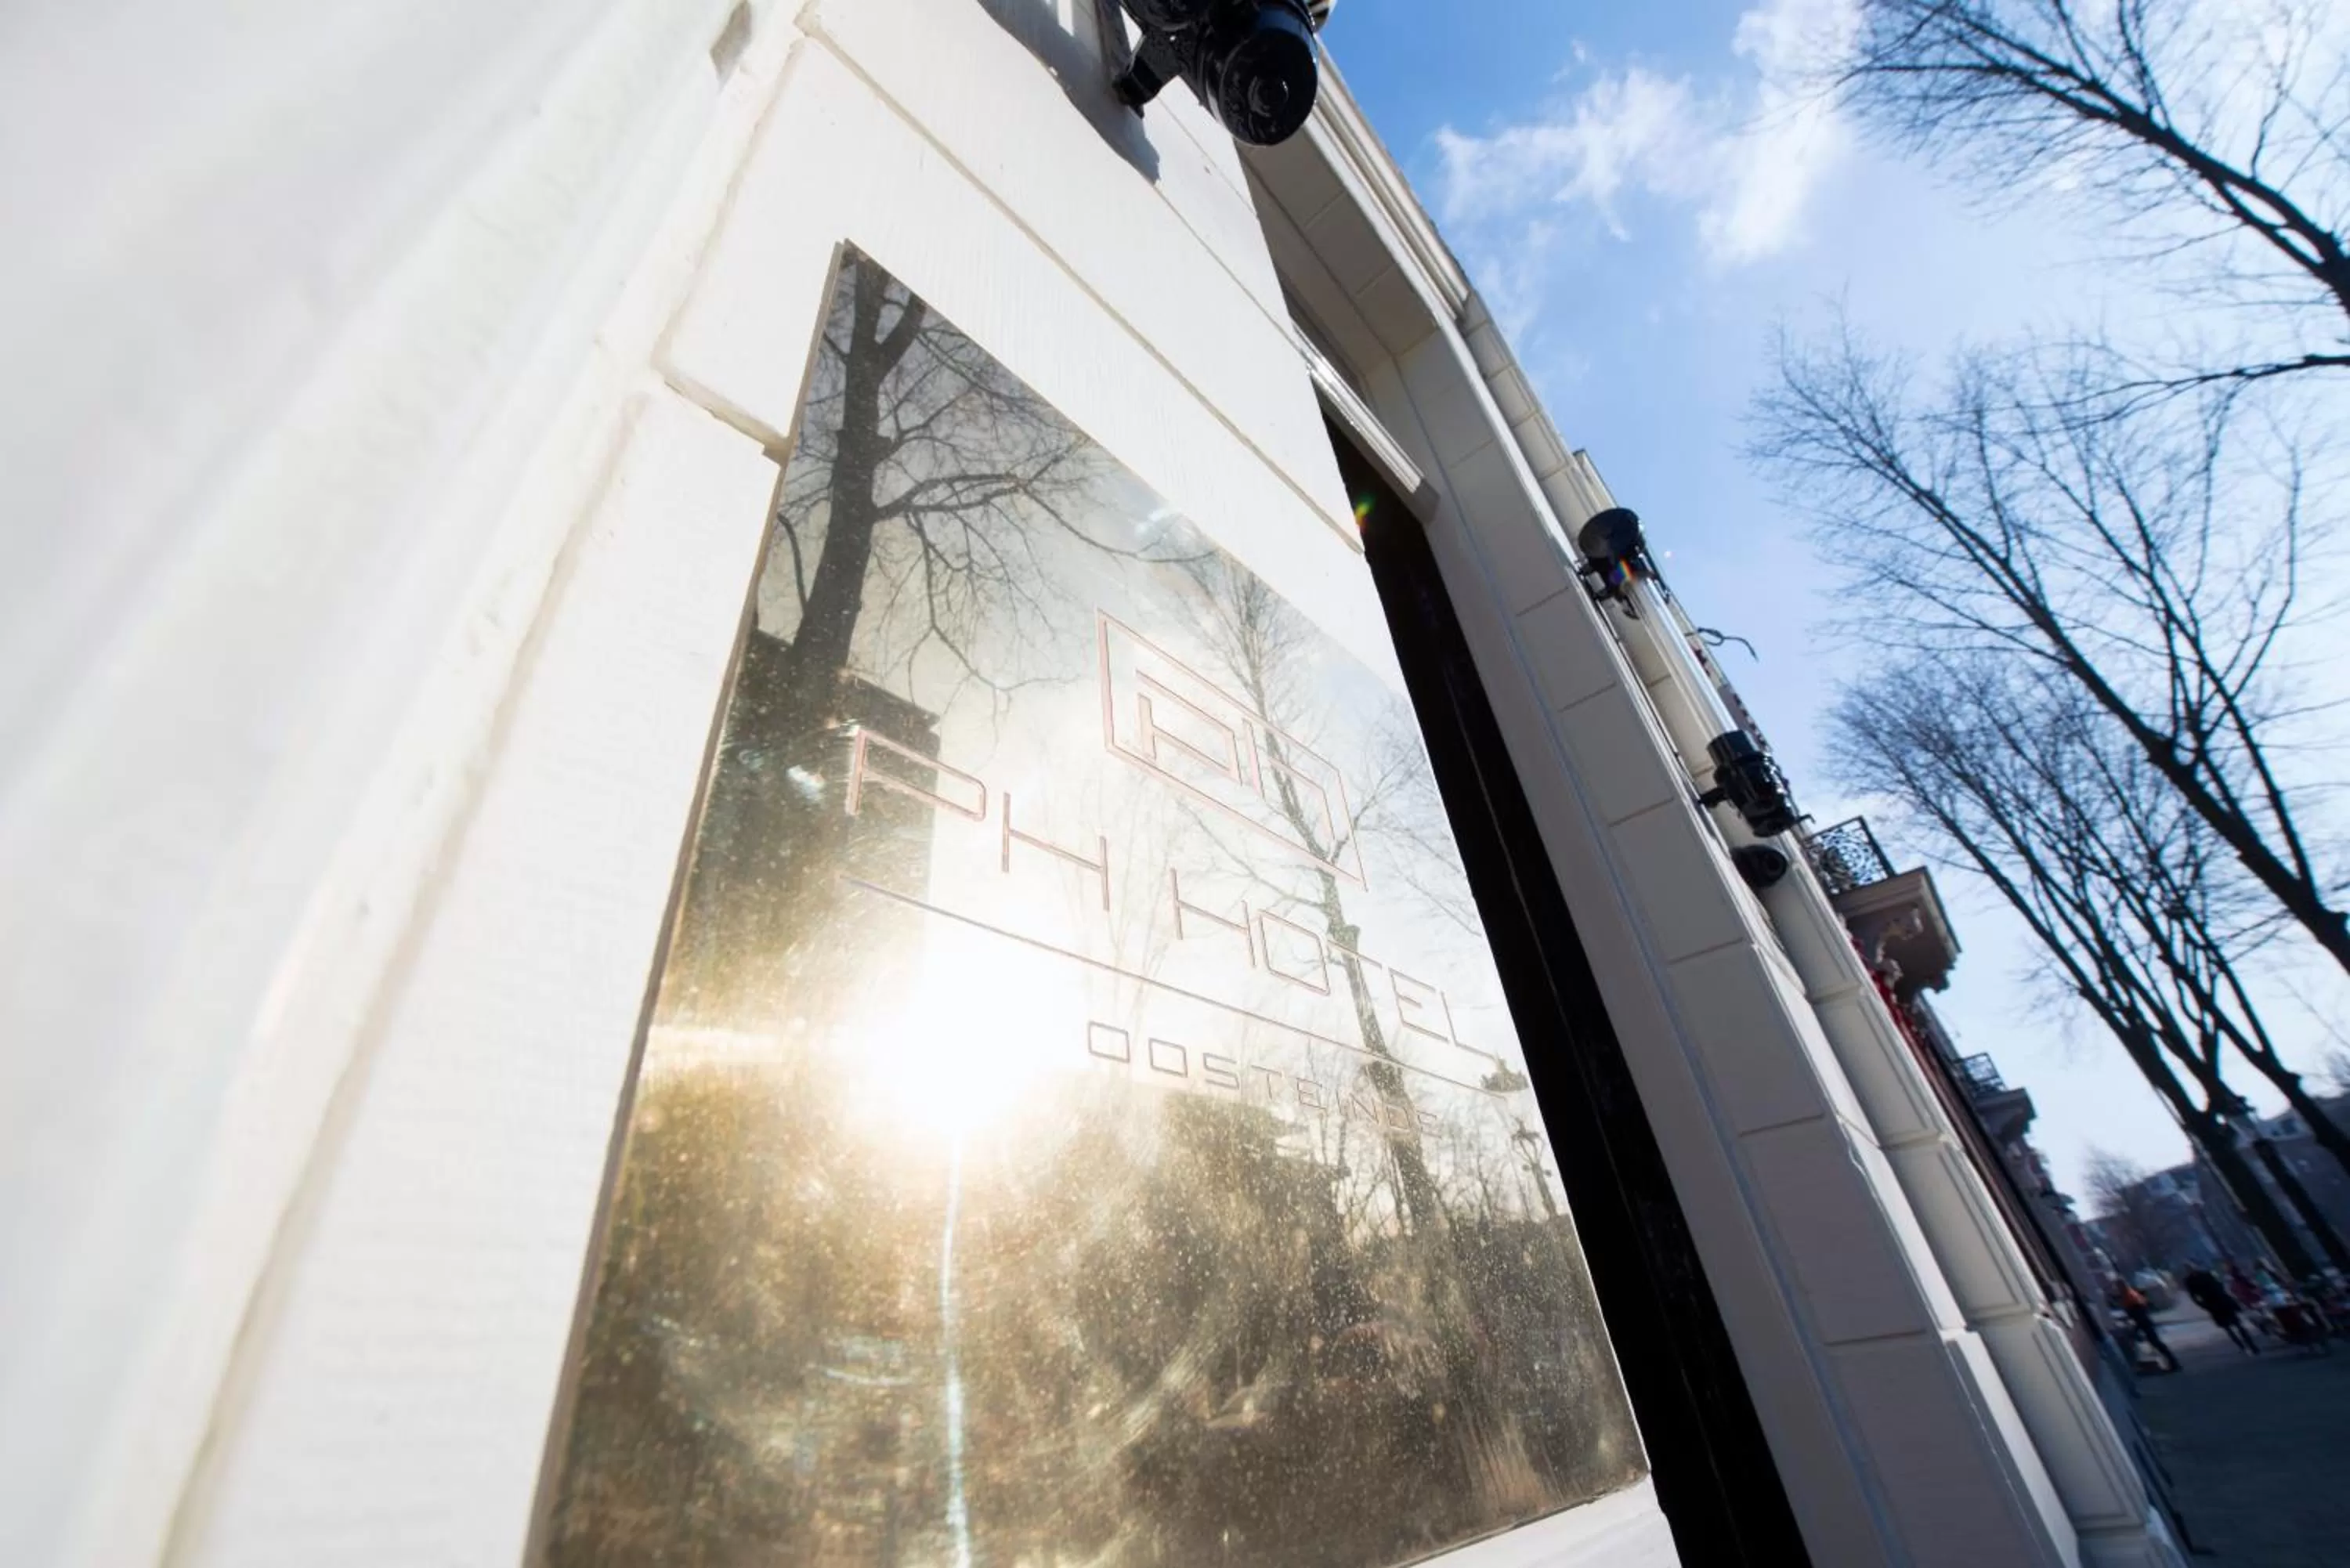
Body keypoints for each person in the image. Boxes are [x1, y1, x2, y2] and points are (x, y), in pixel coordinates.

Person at [2183, 1265, 2260, 1354]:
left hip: (2222, 1301)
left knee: (2237, 1325)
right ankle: (2243, 1346)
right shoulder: (2190, 1281)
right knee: (2228, 1328)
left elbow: (2219, 1285)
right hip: (2213, 1304)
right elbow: (2194, 1296)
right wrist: (2204, 1305)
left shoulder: (2206, 1274)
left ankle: (2251, 1345)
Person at [2118, 1282, 2181, 1372]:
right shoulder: (2130, 1295)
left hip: (2145, 1323)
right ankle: (2172, 1363)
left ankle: (2174, 1363)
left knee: (2157, 1343)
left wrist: (2136, 1328)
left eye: (2118, 1286)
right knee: (2156, 1343)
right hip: (2145, 1322)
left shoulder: (2129, 1296)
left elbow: (2138, 1313)